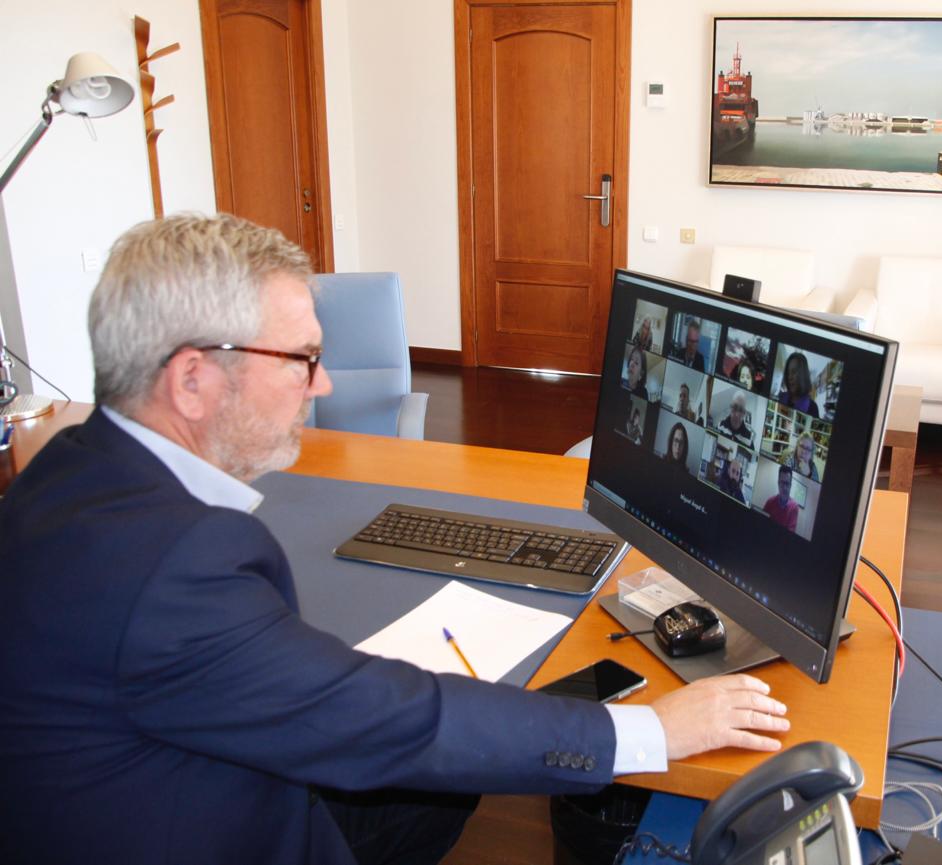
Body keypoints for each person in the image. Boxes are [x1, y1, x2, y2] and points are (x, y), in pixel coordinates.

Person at [0, 214, 790, 865]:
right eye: (304, 359)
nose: (325, 385)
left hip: (171, 782)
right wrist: (657, 729)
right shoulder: (172, 567)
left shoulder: (66, 468)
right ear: (193, 379)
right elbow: (387, 722)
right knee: (465, 748)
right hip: (237, 827)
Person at [777, 352, 821, 418]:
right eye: (788, 373)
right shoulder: (781, 396)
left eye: (794, 372)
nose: (789, 377)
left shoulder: (812, 407)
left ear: (803, 374)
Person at [764, 465, 799, 533]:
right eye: (782, 483)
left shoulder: (794, 507)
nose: (785, 488)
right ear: (778, 483)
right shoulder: (770, 502)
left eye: (787, 484)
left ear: (790, 485)